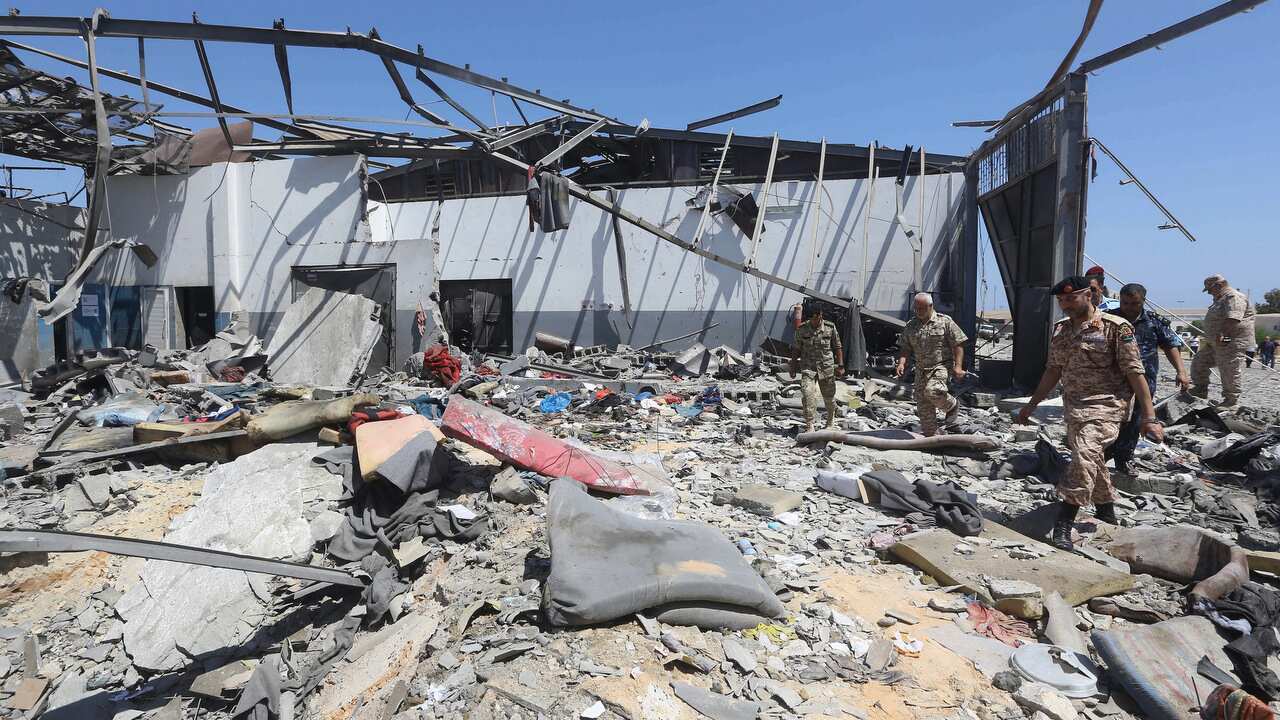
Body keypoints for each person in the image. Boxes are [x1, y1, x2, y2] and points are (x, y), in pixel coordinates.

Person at [1016, 275, 1163, 551]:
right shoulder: (1061, 330)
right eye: (1061, 300)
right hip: (1074, 407)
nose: (1066, 305)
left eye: (1071, 298)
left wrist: (1149, 417)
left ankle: (1064, 519)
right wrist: (1031, 405)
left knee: (1084, 455)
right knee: (1091, 458)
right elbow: (1053, 370)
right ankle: (1106, 511)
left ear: (1089, 296)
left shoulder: (1116, 328)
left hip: (1108, 406)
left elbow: (1135, 372)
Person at [1106, 283, 1189, 474]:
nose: (1128, 307)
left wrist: (1181, 371)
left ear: (1143, 301)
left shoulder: (1154, 321)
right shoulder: (1109, 319)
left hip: (1145, 377)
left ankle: (1124, 458)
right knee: (1111, 414)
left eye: (1134, 303)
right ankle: (1105, 452)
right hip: (1113, 377)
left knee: (1136, 417)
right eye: (1125, 302)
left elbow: (1170, 346)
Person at [895, 292, 968, 436]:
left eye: (922, 308)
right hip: (921, 370)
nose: (918, 312)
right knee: (923, 407)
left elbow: (958, 344)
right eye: (916, 308)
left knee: (932, 391)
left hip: (940, 366)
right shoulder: (911, 325)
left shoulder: (945, 322)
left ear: (931, 306)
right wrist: (901, 363)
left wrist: (958, 367)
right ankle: (936, 439)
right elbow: (905, 347)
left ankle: (952, 405)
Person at [1191, 274, 1257, 407]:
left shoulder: (1233, 297)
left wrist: (1222, 334)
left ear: (1219, 285)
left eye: (1209, 289)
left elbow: (1233, 318)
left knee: (1229, 370)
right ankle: (1200, 390)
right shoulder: (1220, 298)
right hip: (1215, 343)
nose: (1209, 293)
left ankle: (1231, 400)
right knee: (1199, 362)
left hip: (1230, 342)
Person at [791, 306, 844, 432]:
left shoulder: (830, 327)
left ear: (821, 315)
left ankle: (830, 421)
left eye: (819, 316)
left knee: (829, 397)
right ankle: (810, 424)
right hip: (808, 367)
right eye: (814, 317)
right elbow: (797, 348)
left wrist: (841, 365)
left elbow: (837, 346)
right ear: (810, 318)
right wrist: (792, 366)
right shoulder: (802, 329)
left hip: (826, 367)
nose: (817, 319)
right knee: (807, 394)